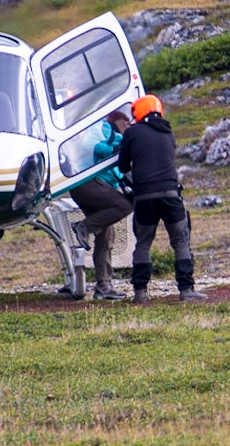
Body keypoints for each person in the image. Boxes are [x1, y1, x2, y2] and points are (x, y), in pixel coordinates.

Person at [116, 94, 205, 304]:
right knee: (181, 241)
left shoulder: (132, 132)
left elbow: (122, 166)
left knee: (143, 243)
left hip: (144, 196)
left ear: (139, 112)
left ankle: (140, 293)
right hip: (170, 194)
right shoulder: (168, 133)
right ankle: (186, 290)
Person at [66, 105, 134, 301]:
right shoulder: (102, 128)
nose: (129, 125)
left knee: (106, 235)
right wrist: (118, 147)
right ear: (117, 120)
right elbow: (94, 147)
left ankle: (104, 286)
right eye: (126, 121)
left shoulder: (120, 135)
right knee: (124, 206)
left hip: (94, 185)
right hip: (88, 182)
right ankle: (83, 227)